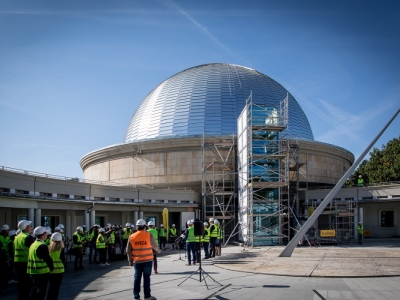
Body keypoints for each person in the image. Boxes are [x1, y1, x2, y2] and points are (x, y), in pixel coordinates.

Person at [127, 219, 160, 300]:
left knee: (137, 278)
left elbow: (128, 250)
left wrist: (130, 260)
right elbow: (154, 246)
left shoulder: (131, 236)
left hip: (137, 261)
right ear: (145, 226)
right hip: (147, 260)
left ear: (137, 227)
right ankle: (147, 296)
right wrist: (158, 250)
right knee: (147, 278)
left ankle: (136, 296)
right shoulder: (149, 235)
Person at [28, 226, 54, 300]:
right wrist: (51, 268)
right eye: (46, 233)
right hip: (41, 272)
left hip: (33, 271)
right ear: (43, 234)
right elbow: (47, 258)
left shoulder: (33, 245)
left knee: (35, 289)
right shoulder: (42, 245)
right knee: (41, 292)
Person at [14, 220, 35, 300]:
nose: (30, 227)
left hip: (18, 262)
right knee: (28, 285)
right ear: (26, 228)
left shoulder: (17, 237)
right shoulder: (28, 237)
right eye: (29, 226)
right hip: (26, 263)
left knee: (21, 284)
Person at [47, 232, 64, 300]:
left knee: (51, 287)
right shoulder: (61, 248)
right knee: (56, 288)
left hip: (50, 270)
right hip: (59, 270)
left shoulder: (48, 247)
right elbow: (63, 259)